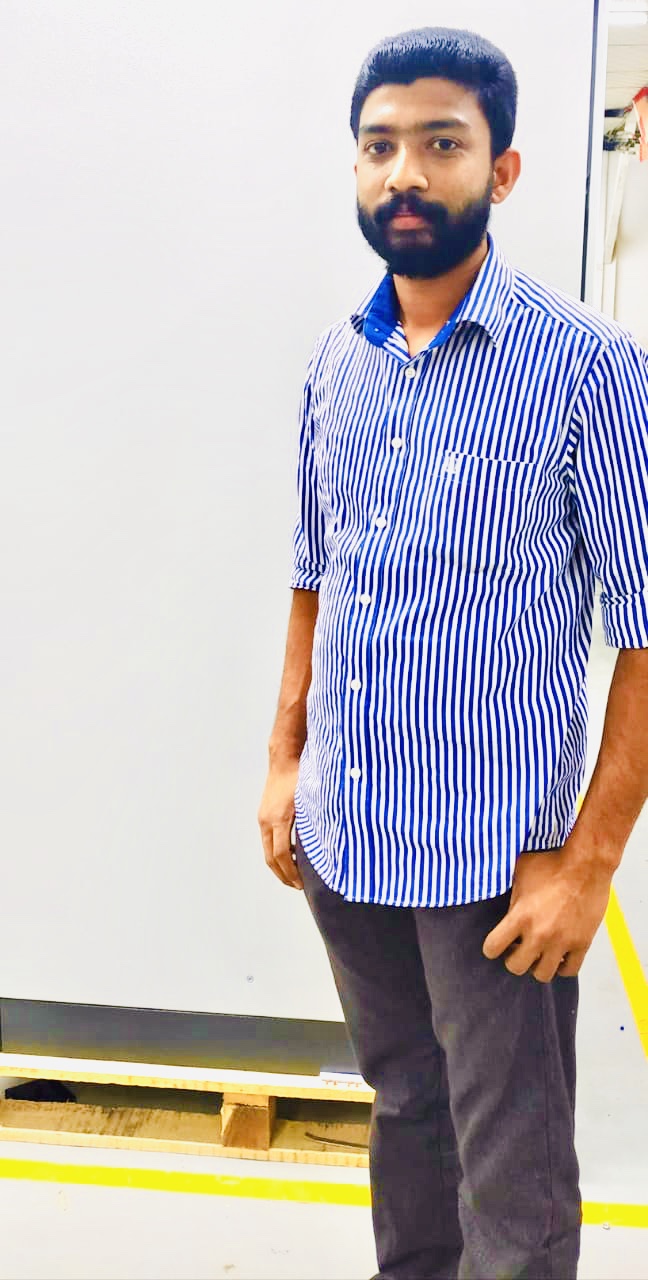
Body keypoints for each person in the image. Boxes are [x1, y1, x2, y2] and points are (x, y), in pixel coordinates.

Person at [258, 25, 648, 1280]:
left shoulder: (590, 367)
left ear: (504, 169)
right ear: (355, 166)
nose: (406, 173)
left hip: (495, 857)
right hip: (350, 831)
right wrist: (285, 760)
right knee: (406, 1107)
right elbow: (315, 572)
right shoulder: (337, 363)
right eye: (381, 146)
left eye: (442, 143)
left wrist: (589, 864)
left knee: (510, 1168)